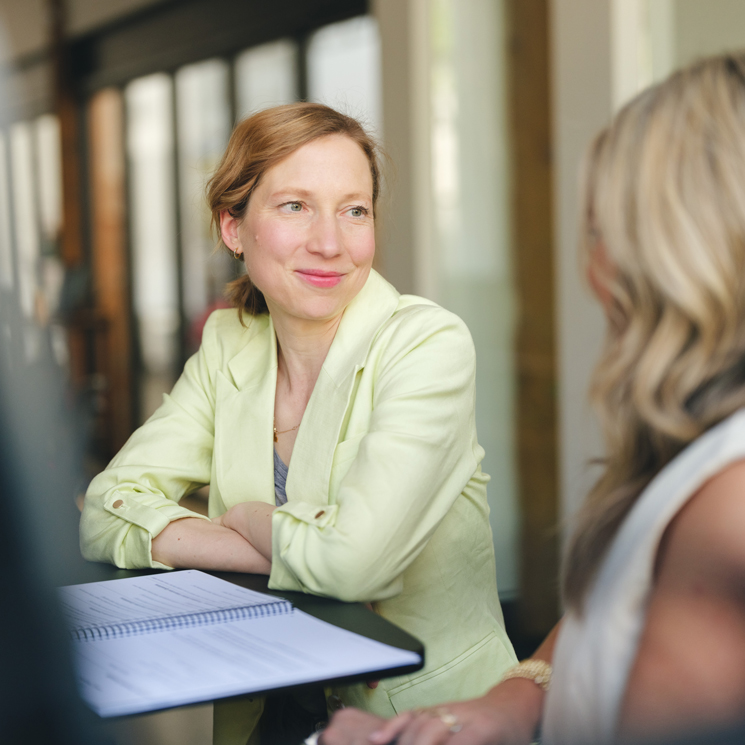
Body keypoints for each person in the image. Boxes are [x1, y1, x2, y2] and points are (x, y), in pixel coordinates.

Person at [321, 52, 745, 745]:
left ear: (673, 251)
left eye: (601, 230)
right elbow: (617, 609)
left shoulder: (728, 503)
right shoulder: (701, 442)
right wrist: (518, 696)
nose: (590, 267)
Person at [79, 102, 517, 742]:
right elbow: (104, 510)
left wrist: (247, 515)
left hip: (422, 723)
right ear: (233, 227)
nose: (331, 242)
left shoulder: (427, 344)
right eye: (294, 206)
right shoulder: (230, 344)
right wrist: (255, 543)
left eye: (354, 209)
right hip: (269, 708)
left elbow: (355, 567)